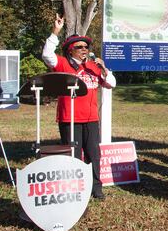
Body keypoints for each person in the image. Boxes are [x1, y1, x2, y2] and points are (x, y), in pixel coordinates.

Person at [42, 13, 116, 200]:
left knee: (94, 155)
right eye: (79, 47)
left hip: (91, 119)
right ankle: (75, 188)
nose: (84, 49)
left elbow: (112, 84)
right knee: (73, 156)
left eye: (86, 46)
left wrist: (104, 69)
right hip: (70, 118)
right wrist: (56, 31)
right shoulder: (63, 64)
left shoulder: (93, 66)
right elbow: (47, 55)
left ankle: (96, 188)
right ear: (70, 50)